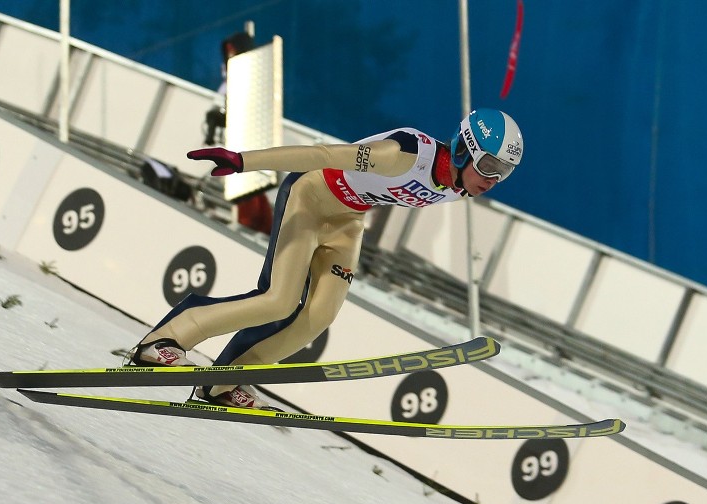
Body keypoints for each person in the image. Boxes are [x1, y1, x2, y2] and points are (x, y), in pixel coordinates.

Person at [129, 108, 524, 409]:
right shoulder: (404, 154)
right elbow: (322, 154)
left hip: (348, 221)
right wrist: (244, 161)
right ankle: (163, 340)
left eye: (504, 172)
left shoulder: (461, 186)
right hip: (312, 196)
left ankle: (224, 381)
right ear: (462, 150)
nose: (492, 179)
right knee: (279, 300)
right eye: (489, 165)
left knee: (318, 316)